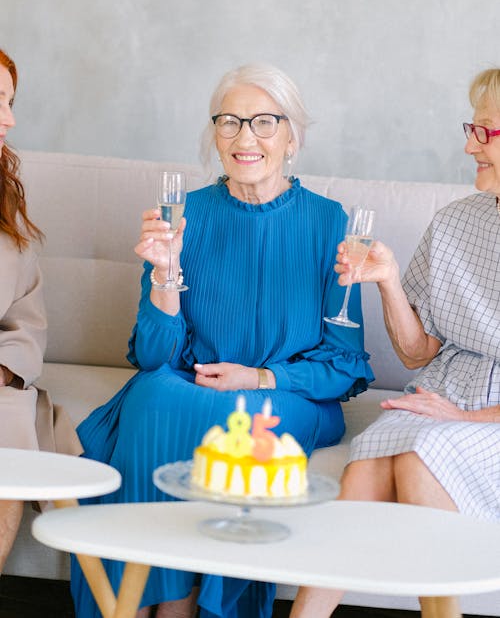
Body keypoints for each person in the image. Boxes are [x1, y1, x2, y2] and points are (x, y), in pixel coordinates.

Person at [71, 63, 374, 618]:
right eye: (229, 122)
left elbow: (345, 364)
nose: (244, 137)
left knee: (237, 419)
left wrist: (259, 376)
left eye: (263, 121)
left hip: (286, 394)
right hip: (190, 379)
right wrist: (165, 273)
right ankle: (133, 601)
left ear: (292, 137)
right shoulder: (186, 215)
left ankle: (181, 603)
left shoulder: (331, 223)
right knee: (153, 393)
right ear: (214, 135)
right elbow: (154, 355)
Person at [290, 68, 500, 618]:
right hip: (441, 393)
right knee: (368, 464)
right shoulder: (457, 221)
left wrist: (463, 419)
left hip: (486, 418)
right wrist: (387, 280)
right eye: (471, 128)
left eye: (485, 131)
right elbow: (416, 353)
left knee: (420, 456)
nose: (468, 144)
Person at [0, 48, 82, 574]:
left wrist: (5, 369)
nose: (9, 119)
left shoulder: (5, 199)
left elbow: (27, 314)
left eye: (10, 103)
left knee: (8, 427)